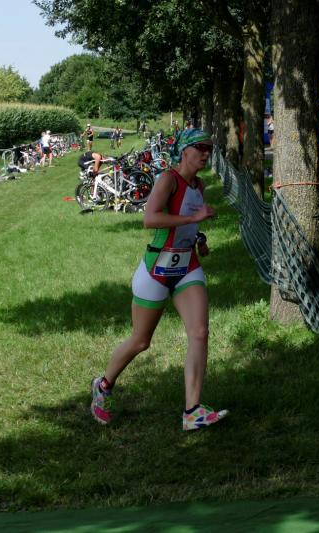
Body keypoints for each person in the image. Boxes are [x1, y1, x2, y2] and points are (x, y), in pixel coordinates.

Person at [89, 129, 228, 431]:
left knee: (200, 333)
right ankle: (103, 385)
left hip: (187, 265)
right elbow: (150, 219)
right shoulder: (168, 179)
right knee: (141, 341)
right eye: (200, 147)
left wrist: (199, 237)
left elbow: (189, 221)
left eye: (209, 148)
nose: (206, 153)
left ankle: (192, 411)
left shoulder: (199, 184)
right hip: (157, 269)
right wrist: (193, 219)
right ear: (184, 151)